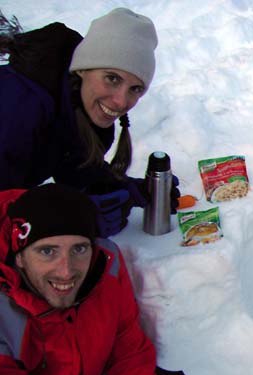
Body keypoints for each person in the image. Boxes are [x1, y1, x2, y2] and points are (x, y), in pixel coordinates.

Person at [0, 183, 202, 375]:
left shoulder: (105, 266)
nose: (66, 271)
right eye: (47, 251)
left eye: (79, 249)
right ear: (20, 257)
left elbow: (127, 351)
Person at [0, 8, 179, 238]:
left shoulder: (75, 104)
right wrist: (70, 218)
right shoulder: (19, 108)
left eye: (135, 89)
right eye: (112, 78)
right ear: (83, 69)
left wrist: (124, 189)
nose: (121, 101)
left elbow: (76, 169)